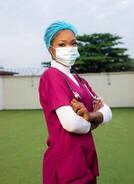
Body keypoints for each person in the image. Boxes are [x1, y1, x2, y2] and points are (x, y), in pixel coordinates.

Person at [38, 21, 112, 184]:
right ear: (51, 50)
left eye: (73, 43)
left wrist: (89, 114)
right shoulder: (51, 76)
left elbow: (108, 112)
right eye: (62, 44)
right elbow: (72, 124)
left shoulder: (80, 80)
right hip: (66, 162)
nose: (69, 48)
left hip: (86, 157)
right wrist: (94, 123)